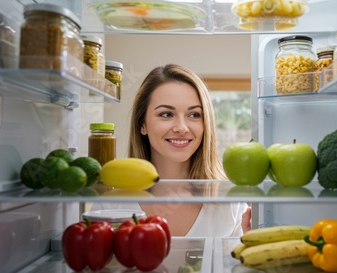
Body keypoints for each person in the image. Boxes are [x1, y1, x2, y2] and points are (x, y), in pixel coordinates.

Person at [92, 64, 251, 237]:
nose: (182, 128)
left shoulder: (230, 201)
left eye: (194, 115)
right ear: (142, 124)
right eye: (166, 114)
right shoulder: (110, 204)